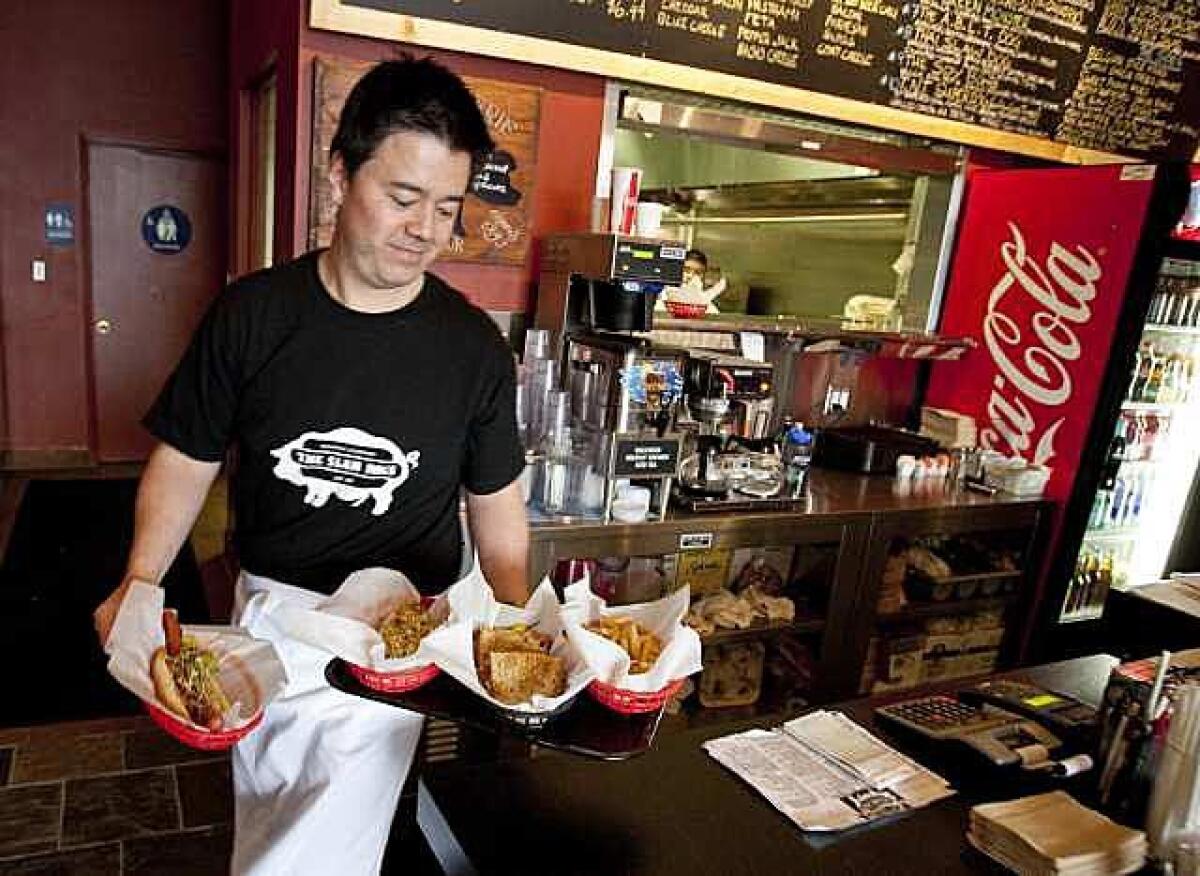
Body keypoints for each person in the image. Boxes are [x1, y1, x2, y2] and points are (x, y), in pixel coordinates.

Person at [93, 57, 530, 875]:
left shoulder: (471, 347)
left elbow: (496, 501)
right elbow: (186, 457)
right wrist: (143, 577)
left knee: (320, 842)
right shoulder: (253, 316)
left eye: (446, 208)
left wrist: (512, 628)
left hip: (398, 639)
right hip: (271, 622)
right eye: (402, 199)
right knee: (275, 814)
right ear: (339, 174)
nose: (425, 229)